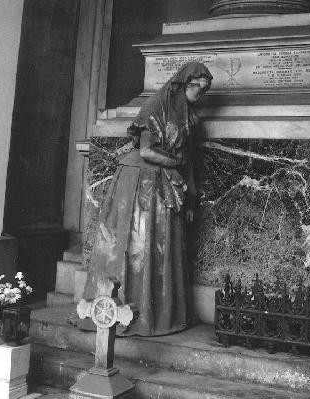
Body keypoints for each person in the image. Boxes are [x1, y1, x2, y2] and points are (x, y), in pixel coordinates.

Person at [78, 61, 212, 336]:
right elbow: (147, 151)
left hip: (163, 183)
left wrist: (191, 198)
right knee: (135, 241)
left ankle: (154, 313)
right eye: (197, 87)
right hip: (139, 182)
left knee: (157, 244)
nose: (201, 93)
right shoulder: (156, 107)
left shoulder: (186, 115)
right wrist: (173, 162)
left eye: (205, 88)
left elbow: (187, 160)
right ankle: (119, 310)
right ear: (183, 84)